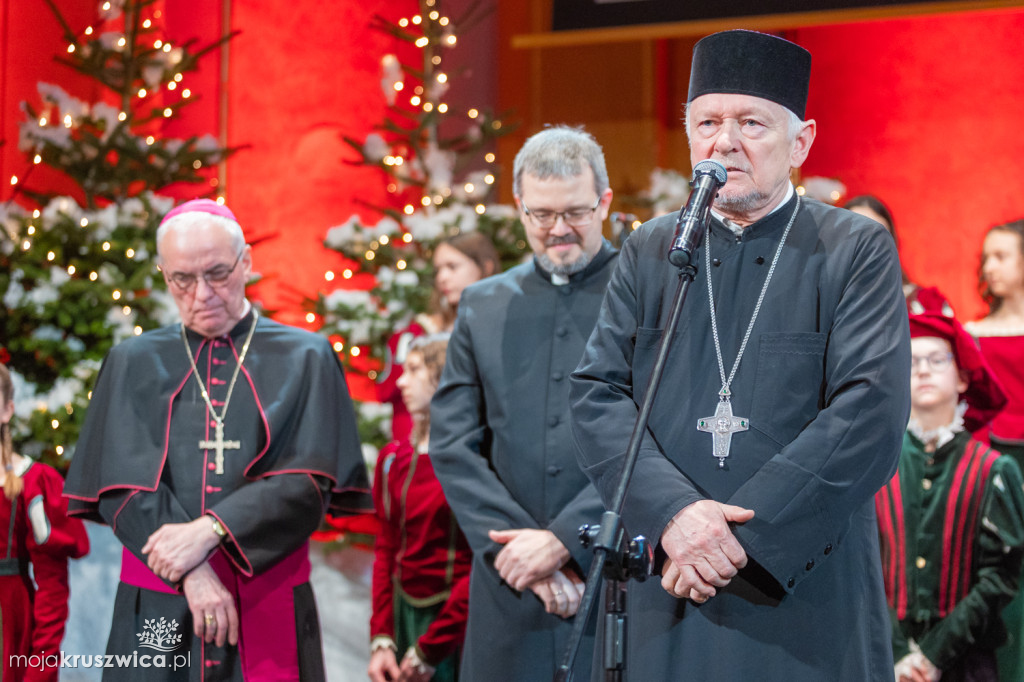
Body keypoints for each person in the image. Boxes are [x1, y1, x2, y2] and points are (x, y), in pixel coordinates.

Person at [569, 30, 910, 679]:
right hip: (668, 582)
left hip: (801, 587)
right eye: (707, 122)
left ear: (801, 141)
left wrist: (728, 544)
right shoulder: (650, 249)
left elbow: (869, 413)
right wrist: (676, 516)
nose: (724, 142)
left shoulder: (854, 248)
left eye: (751, 122)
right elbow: (596, 396)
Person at [63, 198, 371, 681]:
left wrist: (209, 532)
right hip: (158, 600)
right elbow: (119, 486)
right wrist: (191, 569)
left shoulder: (306, 357)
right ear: (164, 274)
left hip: (264, 594)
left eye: (218, 273)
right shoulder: (132, 361)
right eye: (182, 279)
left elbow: (310, 482)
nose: (202, 293)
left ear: (246, 261)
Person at [429, 125, 618, 681]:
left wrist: (566, 540)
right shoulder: (482, 305)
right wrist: (522, 555)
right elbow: (453, 442)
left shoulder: (645, 294)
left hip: (610, 571)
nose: (558, 230)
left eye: (575, 213)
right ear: (519, 208)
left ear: (604, 202)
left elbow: (655, 433)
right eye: (541, 215)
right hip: (508, 575)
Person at [876, 312, 1024, 682]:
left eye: (936, 360)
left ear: (961, 377)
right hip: (882, 656)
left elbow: (1000, 576)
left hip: (965, 663)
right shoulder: (876, 467)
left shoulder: (993, 469)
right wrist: (898, 654)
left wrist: (931, 656)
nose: (923, 370)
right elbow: (862, 566)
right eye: (912, 361)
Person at [369, 334, 471, 682]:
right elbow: (386, 549)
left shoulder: (471, 463)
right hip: (402, 616)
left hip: (457, 623)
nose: (400, 381)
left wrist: (432, 646)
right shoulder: (392, 460)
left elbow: (480, 563)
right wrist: (381, 637)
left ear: (443, 377)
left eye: (414, 370)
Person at [1, 363, 89, 682]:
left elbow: (52, 588)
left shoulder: (33, 482)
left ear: (7, 410)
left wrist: (40, 668)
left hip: (9, 629)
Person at [964, 218, 1024, 681]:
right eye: (987, 256)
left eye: (1001, 255)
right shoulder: (973, 333)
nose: (990, 266)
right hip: (992, 469)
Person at [377, 233, 500, 442]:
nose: (442, 277)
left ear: (486, 267)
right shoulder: (420, 332)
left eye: (452, 267)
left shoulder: (502, 325)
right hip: (428, 448)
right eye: (438, 270)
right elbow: (396, 399)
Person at [844, 194, 953, 315]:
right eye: (856, 233)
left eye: (878, 235)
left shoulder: (928, 303)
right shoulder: (823, 301)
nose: (867, 244)